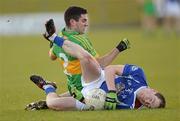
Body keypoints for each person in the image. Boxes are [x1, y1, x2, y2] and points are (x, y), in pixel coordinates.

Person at [27, 21, 165, 111]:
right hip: (98, 78)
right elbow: (111, 69)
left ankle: (47, 86)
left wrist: (83, 98)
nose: (147, 102)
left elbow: (100, 105)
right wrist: (111, 92)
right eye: (151, 99)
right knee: (86, 58)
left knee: (53, 104)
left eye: (149, 105)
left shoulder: (131, 107)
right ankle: (53, 38)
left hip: (92, 96)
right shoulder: (139, 75)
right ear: (153, 90)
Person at [25, 6, 130, 110]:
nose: (86, 24)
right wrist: (119, 48)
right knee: (55, 104)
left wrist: (53, 42)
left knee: (58, 101)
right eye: (83, 21)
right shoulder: (81, 40)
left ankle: (48, 95)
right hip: (90, 87)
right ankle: (48, 88)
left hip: (74, 87)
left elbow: (51, 56)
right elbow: (100, 64)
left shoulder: (60, 37)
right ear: (73, 22)